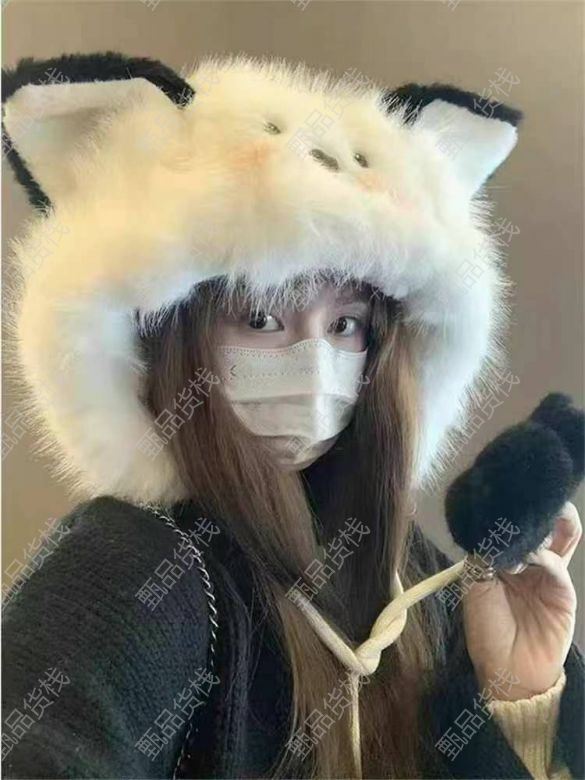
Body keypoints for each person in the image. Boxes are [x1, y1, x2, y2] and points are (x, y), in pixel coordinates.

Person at [1, 51, 582, 780]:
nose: (313, 365)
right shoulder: (135, 567)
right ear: (169, 333)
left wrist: (519, 697)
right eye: (259, 317)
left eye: (346, 325)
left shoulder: (415, 578)